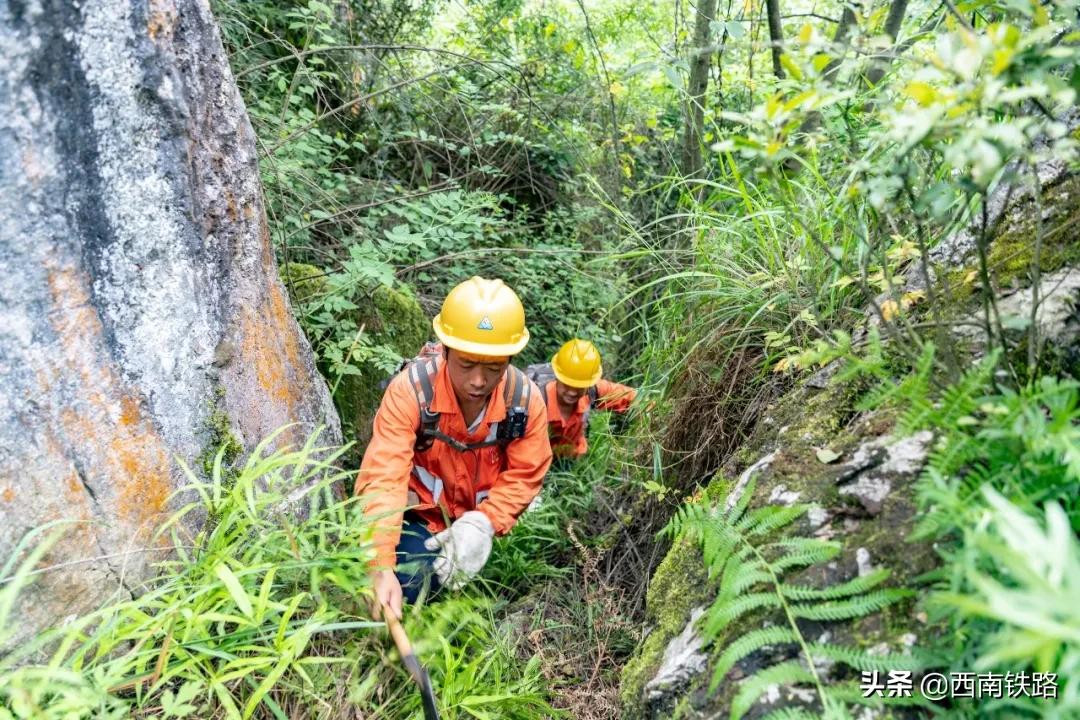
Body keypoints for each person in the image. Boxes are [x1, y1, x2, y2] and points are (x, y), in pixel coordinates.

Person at [356, 276, 552, 621]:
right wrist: (379, 564)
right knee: (410, 581)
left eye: (493, 368)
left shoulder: (524, 401)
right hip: (420, 515)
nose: (478, 381)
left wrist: (484, 523)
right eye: (466, 364)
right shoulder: (411, 393)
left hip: (474, 516)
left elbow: (526, 473)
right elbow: (383, 476)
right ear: (444, 351)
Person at [529, 339, 638, 459]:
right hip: (537, 460)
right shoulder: (533, 400)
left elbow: (630, 396)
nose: (572, 392)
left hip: (572, 459)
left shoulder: (591, 391)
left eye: (579, 387)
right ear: (557, 376)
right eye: (567, 384)